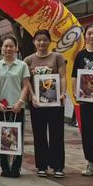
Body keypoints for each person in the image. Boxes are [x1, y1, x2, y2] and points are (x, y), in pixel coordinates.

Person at [24, 29, 67, 178]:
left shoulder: (57, 57)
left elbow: (62, 77)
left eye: (44, 40)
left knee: (56, 134)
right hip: (37, 103)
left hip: (55, 102)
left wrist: (63, 93)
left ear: (49, 41)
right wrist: (32, 96)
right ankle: (41, 166)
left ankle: (58, 166)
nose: (41, 43)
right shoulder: (28, 60)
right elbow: (26, 82)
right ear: (34, 42)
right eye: (39, 40)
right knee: (39, 134)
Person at [72, 23, 93, 179]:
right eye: (89, 33)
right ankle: (91, 164)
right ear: (85, 36)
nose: (92, 36)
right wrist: (75, 92)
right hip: (85, 102)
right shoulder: (80, 55)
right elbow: (74, 76)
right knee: (87, 133)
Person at [0, 35, 30, 178]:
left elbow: (26, 86)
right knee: (3, 137)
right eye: (6, 46)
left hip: (17, 107)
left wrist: (20, 102)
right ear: (1, 49)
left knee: (17, 138)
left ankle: (16, 168)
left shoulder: (22, 65)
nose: (8, 48)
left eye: (11, 46)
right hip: (2, 107)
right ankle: (4, 167)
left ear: (16, 48)